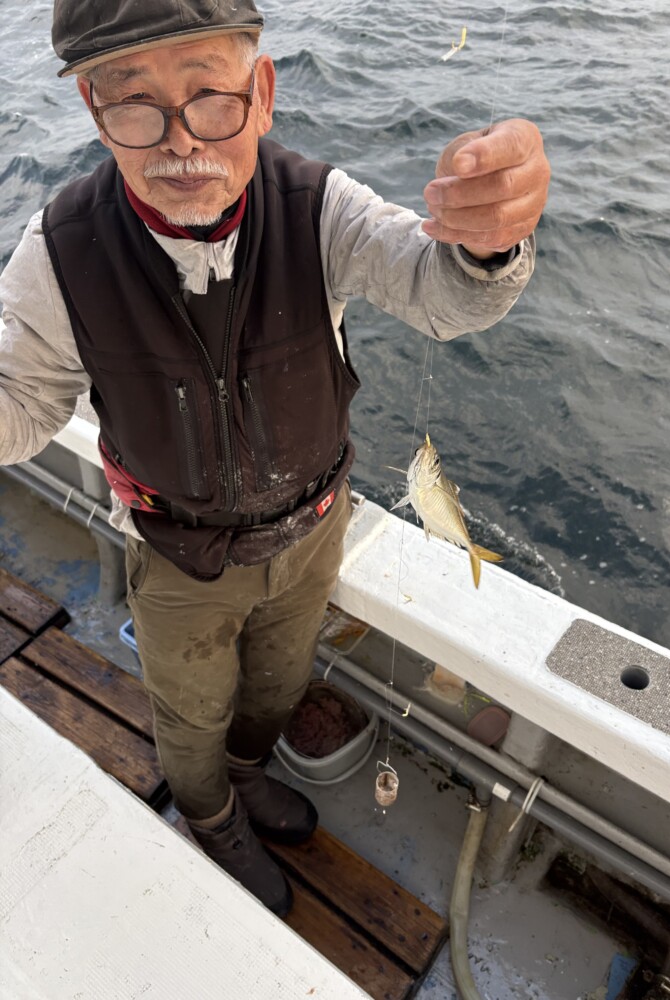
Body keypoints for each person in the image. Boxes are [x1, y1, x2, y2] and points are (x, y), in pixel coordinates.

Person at [0, 0, 550, 917]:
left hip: (311, 538)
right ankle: (212, 814)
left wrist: (489, 242)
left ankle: (247, 776)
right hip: (177, 555)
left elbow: (440, 293)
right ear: (96, 115)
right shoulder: (57, 254)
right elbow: (22, 405)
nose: (181, 143)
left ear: (260, 91)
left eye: (209, 94)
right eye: (134, 104)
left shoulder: (321, 209)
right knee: (187, 709)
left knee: (279, 682)